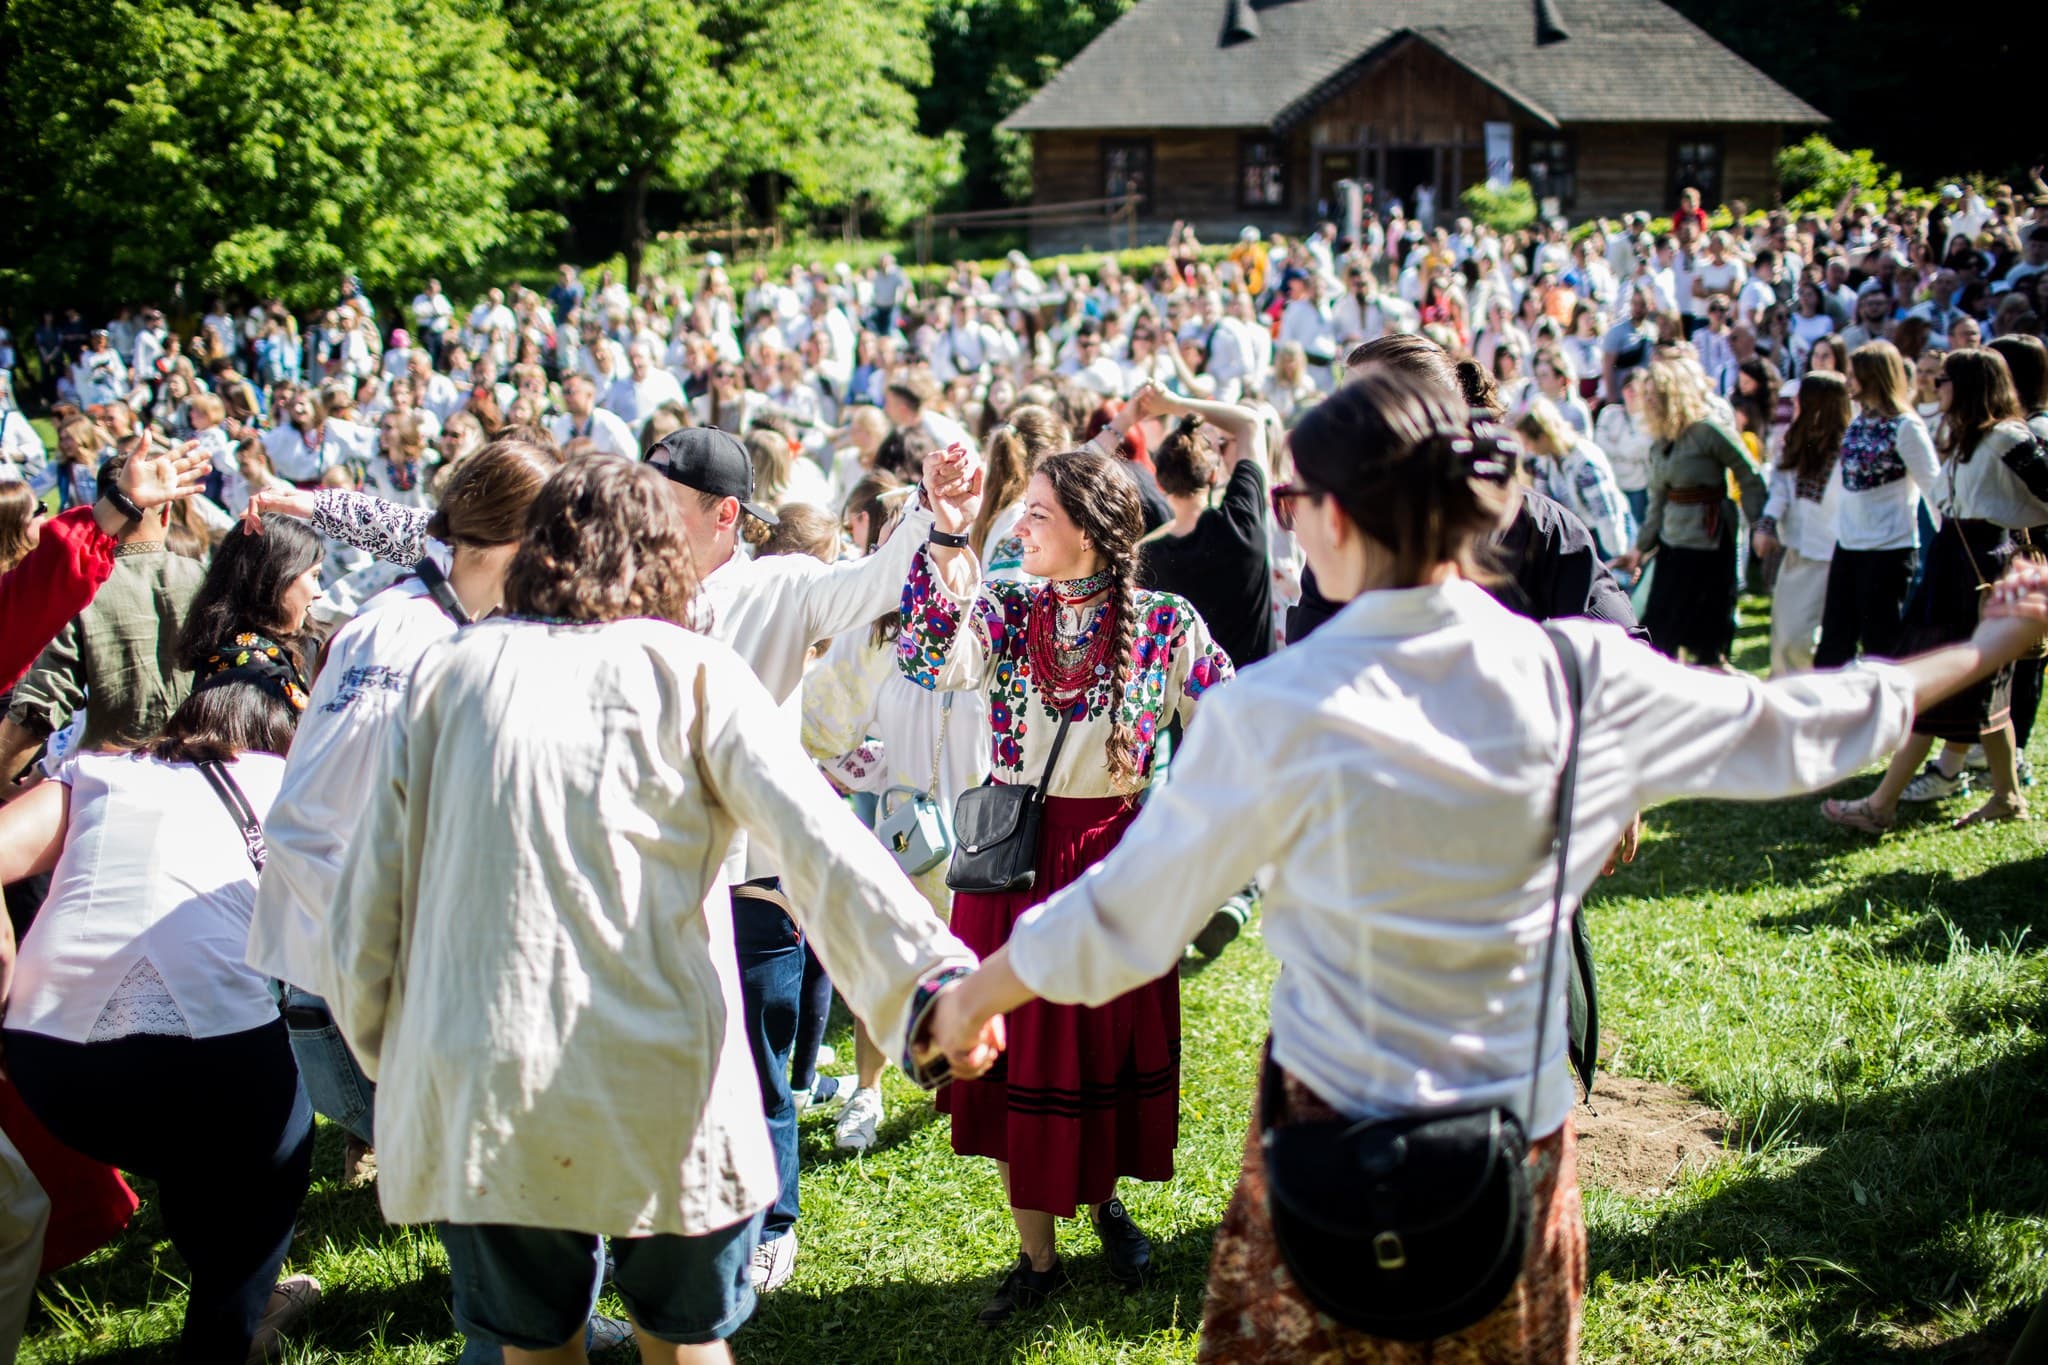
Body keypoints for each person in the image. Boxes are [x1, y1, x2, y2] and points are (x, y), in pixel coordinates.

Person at [917, 366, 2048, 1365]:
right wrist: (1991, 644)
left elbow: (1123, 917)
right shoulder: (1577, 673)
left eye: (1294, 499)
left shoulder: (1278, 708)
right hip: (1517, 1139)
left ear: (1338, 519)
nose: (1287, 519)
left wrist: (969, 998)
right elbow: (1797, 723)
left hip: (1328, 1133)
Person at [321, 455, 982, 1365]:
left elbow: (372, 895)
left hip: (486, 1064)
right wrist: (927, 986)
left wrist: (393, 1053)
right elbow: (819, 839)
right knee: (683, 1344)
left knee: (536, 1349)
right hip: (660, 1068)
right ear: (662, 554)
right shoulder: (693, 670)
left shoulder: (450, 674)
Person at [904, 439, 1233, 1324]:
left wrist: (1190, 826)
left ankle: (1102, 1201)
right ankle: (1037, 1258)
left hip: (1114, 863)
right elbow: (929, 659)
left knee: (1096, 1053)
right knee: (1018, 1060)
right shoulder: (1008, 602)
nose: (1020, 526)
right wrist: (947, 532)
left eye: (1039, 513)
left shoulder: (1165, 621)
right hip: (1013, 864)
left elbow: (1235, 721)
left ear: (1088, 529)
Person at [0, 661, 319, 1364]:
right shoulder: (278, 778)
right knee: (277, 1154)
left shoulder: (96, 771)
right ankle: (230, 1332)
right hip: (214, 1054)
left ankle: (239, 1300)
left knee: (193, 1145)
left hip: (49, 1059)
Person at [1825, 348, 2048, 832]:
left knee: (1939, 685)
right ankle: (2007, 796)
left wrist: (2023, 547)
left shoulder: (2007, 437)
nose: (1933, 386)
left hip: (1982, 567)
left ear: (1967, 386)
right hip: (1953, 566)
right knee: (1976, 686)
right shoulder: (1970, 438)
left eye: (1943, 379)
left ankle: (1881, 805)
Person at [0, 452, 213, 787]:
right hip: (206, 777)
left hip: (102, 786)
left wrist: (13, 785)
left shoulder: (75, 595)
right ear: (167, 512)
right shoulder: (213, 584)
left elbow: (39, 707)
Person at [1626, 350, 1766, 666]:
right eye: (1647, 394)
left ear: (1673, 395)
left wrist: (1760, 524)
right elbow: (1657, 502)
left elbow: (1748, 473)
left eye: (1655, 394)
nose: (1649, 400)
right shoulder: (1659, 443)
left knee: (1707, 638)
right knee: (1661, 633)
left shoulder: (1707, 431)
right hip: (1673, 545)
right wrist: (1640, 548)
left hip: (1710, 543)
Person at [1812, 341, 1940, 667]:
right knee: (1833, 646)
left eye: (1854, 375)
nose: (1848, 381)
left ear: (1874, 376)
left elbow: (1933, 487)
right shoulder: (1857, 421)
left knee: (1881, 648)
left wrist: (1947, 544)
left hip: (1889, 549)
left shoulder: (1906, 427)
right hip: (1849, 545)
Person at [1136, 385, 1274, 669]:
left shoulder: (1147, 559)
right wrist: (1172, 403)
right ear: (1213, 475)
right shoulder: (1242, 521)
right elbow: (1250, 422)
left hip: (1191, 695)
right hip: (1260, 685)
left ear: (1159, 483)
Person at [1754, 372, 1851, 675]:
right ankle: (1784, 692)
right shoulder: (1794, 443)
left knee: (1803, 640)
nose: (1794, 408)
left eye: (1800, 402)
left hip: (1831, 555)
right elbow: (1780, 488)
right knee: (1783, 634)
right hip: (1796, 552)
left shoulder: (1848, 450)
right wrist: (1767, 524)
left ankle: (1807, 691)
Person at [1515, 398, 1633, 563]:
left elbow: (1605, 511)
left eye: (1528, 443)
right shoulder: (1545, 462)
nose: (1527, 449)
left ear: (1543, 437)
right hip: (1580, 533)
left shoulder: (1584, 462)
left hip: (1606, 533)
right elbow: (1544, 502)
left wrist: (1617, 555)